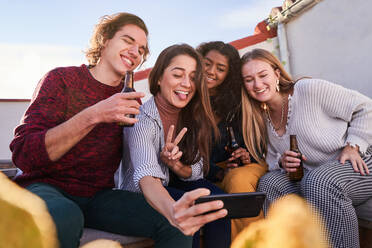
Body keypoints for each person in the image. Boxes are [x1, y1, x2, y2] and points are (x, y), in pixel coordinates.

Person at [9, 12, 196, 248]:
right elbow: (24, 154)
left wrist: (167, 172)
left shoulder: (131, 103)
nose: (135, 52)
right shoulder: (62, 79)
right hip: (45, 187)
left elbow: (141, 166)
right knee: (65, 216)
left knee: (176, 221)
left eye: (141, 49)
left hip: (98, 196)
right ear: (105, 39)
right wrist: (95, 114)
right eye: (128, 41)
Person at [240, 48, 372, 248]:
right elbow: (271, 158)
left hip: (358, 161)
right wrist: (282, 162)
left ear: (276, 73)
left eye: (263, 75)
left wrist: (353, 144)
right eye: (249, 79)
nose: (257, 84)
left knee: (319, 182)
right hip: (313, 175)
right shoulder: (261, 116)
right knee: (269, 184)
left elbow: (365, 107)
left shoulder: (308, 89)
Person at [117, 44, 231, 248]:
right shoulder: (141, 118)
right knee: (191, 208)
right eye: (178, 74)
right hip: (140, 193)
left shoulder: (192, 115)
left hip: (171, 183)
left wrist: (176, 165)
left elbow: (197, 170)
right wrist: (175, 206)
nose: (187, 83)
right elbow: (145, 174)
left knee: (218, 200)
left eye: (193, 76)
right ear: (159, 78)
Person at [196, 41, 267, 240]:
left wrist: (245, 153)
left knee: (237, 181)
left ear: (228, 74)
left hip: (239, 168)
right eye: (207, 63)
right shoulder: (185, 96)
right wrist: (217, 171)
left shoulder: (236, 102)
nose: (211, 71)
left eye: (220, 68)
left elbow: (253, 144)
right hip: (202, 171)